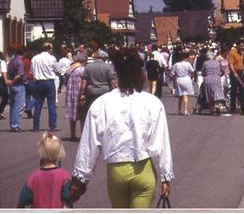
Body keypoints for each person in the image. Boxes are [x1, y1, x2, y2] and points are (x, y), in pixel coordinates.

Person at [70, 47, 173, 208]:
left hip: (116, 171)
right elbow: (161, 142)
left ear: (116, 72)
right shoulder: (152, 102)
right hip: (143, 170)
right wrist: (166, 176)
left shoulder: (102, 103)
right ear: (140, 72)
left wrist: (81, 178)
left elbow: (90, 144)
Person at [17, 132, 72, 208]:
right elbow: (69, 197)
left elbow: (23, 200)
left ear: (41, 152)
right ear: (60, 153)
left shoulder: (33, 177)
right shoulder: (64, 176)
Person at [79, 50, 115, 129]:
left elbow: (84, 81)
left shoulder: (88, 67)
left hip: (91, 92)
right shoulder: (107, 67)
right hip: (105, 92)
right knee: (104, 113)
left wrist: (82, 93)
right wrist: (114, 91)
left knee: (92, 112)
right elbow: (112, 81)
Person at [31, 43, 59, 132]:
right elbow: (56, 70)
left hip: (38, 82)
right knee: (51, 104)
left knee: (38, 104)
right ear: (49, 49)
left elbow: (32, 71)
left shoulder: (35, 58)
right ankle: (52, 126)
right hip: (49, 82)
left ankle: (36, 126)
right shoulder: (52, 58)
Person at [64, 53, 87, 141]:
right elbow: (84, 81)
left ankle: (72, 134)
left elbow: (65, 80)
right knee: (82, 115)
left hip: (70, 92)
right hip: (78, 92)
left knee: (72, 115)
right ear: (83, 60)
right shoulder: (82, 69)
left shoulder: (69, 69)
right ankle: (83, 135)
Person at [7, 45, 26, 132]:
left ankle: (12, 124)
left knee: (12, 106)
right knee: (19, 106)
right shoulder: (20, 62)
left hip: (12, 86)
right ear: (23, 53)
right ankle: (15, 125)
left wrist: (9, 81)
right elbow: (19, 75)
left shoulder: (11, 61)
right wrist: (13, 81)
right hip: (18, 84)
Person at [228, 41, 244, 115]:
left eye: (243, 46)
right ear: (237, 45)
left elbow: (242, 62)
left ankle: (243, 109)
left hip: (241, 72)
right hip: (234, 73)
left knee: (243, 90)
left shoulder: (241, 53)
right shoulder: (232, 52)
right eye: (241, 46)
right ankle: (233, 108)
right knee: (234, 90)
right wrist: (234, 73)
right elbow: (231, 64)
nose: (242, 47)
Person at [0, 51, 9, 119]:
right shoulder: (2, 62)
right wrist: (6, 80)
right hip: (0, 80)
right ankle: (0, 111)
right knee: (5, 97)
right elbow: (3, 72)